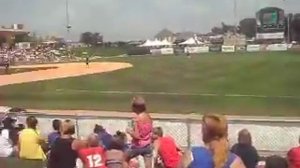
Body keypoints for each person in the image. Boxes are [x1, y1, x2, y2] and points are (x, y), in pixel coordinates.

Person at [126, 96, 153, 168]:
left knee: (124, 159)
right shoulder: (148, 117)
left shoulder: (137, 119)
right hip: (147, 145)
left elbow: (137, 136)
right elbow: (149, 131)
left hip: (138, 146)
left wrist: (129, 132)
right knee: (148, 165)